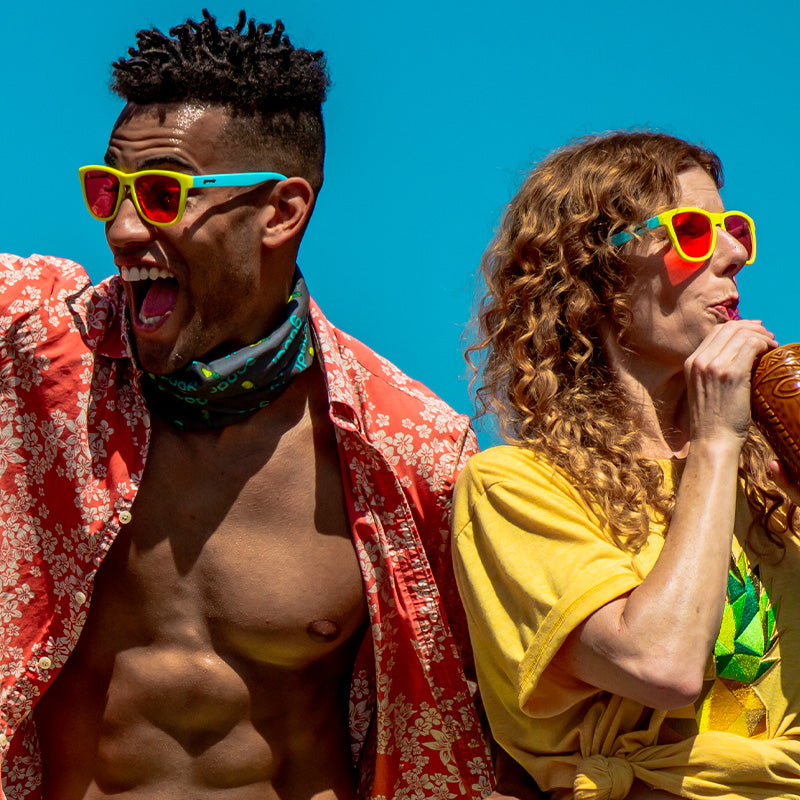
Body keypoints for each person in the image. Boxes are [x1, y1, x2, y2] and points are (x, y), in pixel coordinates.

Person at [0, 10, 529, 800]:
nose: (120, 229)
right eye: (109, 189)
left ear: (281, 211)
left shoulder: (408, 454)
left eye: (161, 193)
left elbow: (494, 728)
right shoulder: (33, 354)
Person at [452, 131, 800, 799]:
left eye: (734, 230)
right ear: (593, 276)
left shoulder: (772, 478)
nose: (733, 255)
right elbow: (660, 662)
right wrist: (718, 441)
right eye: (692, 233)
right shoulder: (515, 488)